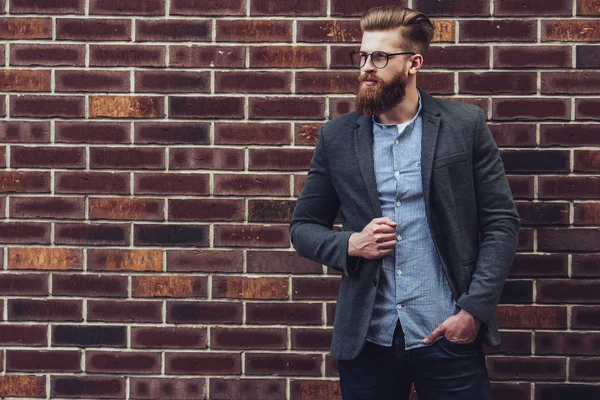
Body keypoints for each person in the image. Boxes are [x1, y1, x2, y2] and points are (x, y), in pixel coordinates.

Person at [289, 5, 520, 400]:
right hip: (368, 340)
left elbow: (501, 222)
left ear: (414, 63)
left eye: (380, 57)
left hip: (448, 334)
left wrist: (473, 312)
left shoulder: (464, 126)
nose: (366, 67)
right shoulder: (338, 137)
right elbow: (303, 227)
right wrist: (349, 244)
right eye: (362, 56)